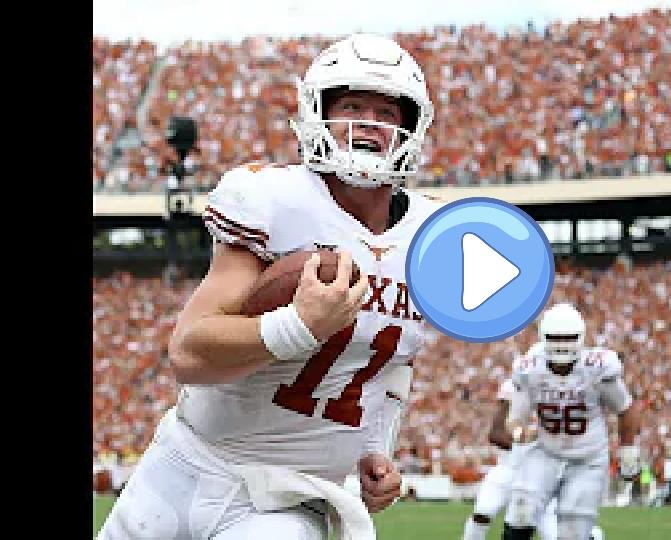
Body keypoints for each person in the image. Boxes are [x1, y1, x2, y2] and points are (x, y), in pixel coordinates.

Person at [98, 33, 441, 539]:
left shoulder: (433, 240)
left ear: (410, 129)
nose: (369, 124)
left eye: (387, 113)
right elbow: (188, 354)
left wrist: (377, 450)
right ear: (316, 113)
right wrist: (297, 327)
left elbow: (394, 366)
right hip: (187, 467)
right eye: (352, 106)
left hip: (289, 499)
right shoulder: (273, 200)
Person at [501, 303, 641, 540]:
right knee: (520, 514)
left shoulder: (597, 368)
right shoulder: (530, 369)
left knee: (573, 531)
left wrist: (627, 449)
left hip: (587, 458)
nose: (562, 344)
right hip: (545, 451)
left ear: (580, 338)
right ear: (544, 338)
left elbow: (625, 408)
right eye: (556, 338)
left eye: (568, 337)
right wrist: (519, 433)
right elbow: (515, 418)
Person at [462, 378, 558, 540]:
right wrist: (521, 439)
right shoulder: (514, 389)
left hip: (541, 474)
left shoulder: (559, 393)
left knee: (552, 533)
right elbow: (495, 435)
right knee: (483, 512)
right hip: (508, 467)